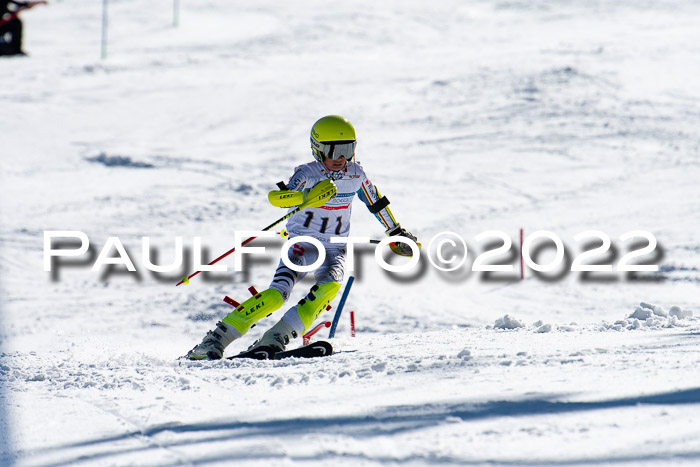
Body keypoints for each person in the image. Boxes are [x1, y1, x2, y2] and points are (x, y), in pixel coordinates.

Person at [187, 115, 418, 360]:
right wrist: (307, 196)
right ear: (318, 149)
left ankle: (276, 337)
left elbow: (376, 202)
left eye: (347, 149)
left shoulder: (356, 173)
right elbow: (278, 197)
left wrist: (395, 232)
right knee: (277, 295)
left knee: (330, 288)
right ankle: (214, 340)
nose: (341, 157)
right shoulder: (307, 172)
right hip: (301, 245)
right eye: (334, 150)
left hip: (334, 249)